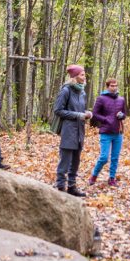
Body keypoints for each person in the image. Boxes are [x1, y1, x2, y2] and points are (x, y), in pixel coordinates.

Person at [54, 64, 93, 196]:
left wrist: (87, 113)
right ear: (75, 77)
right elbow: (58, 110)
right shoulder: (66, 91)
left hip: (80, 131)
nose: (84, 77)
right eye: (82, 74)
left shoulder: (82, 92)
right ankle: (60, 188)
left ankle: (72, 187)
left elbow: (80, 110)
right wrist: (78, 115)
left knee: (76, 161)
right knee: (65, 161)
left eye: (84, 74)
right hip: (68, 131)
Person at [89, 78, 128, 187]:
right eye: (112, 86)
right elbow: (95, 114)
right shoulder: (101, 98)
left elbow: (125, 114)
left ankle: (112, 178)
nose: (114, 88)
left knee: (115, 157)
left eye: (116, 85)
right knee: (104, 157)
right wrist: (106, 119)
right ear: (107, 86)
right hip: (105, 132)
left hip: (118, 132)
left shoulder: (121, 99)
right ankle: (94, 175)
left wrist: (122, 116)